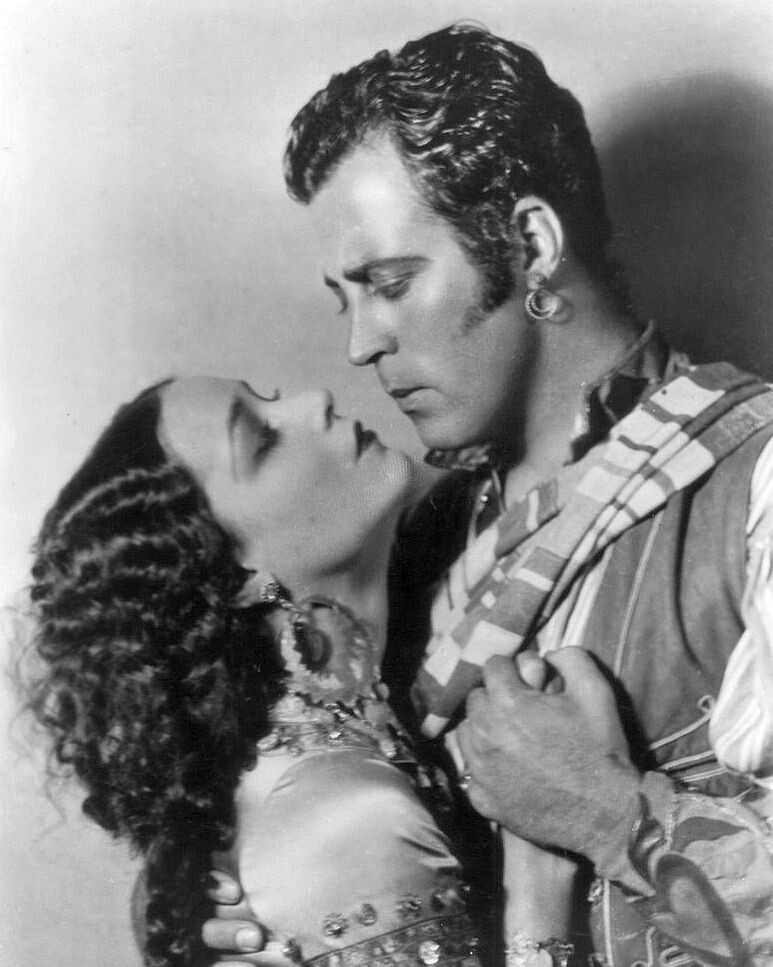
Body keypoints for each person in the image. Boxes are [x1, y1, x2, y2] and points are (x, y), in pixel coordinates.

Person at [204, 22, 773, 967]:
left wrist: (609, 815)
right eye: (345, 299)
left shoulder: (757, 479)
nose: (360, 345)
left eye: (390, 284)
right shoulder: (418, 536)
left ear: (531, 243)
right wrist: (244, 890)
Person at [30, 375, 573, 967]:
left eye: (269, 397)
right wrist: (541, 882)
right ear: (232, 577)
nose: (317, 401)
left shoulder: (342, 756)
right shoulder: (346, 814)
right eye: (262, 439)